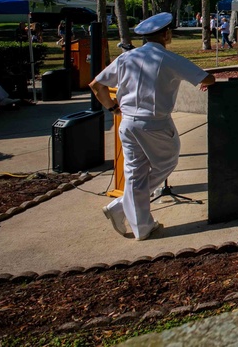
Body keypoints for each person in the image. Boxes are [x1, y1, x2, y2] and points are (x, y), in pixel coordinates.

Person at [89, 13, 215, 240]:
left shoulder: (126, 58)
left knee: (135, 172)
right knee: (166, 163)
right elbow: (207, 79)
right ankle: (121, 207)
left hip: (127, 122)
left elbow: (96, 86)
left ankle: (140, 224)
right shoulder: (169, 58)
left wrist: (112, 108)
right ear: (166, 34)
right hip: (155, 123)